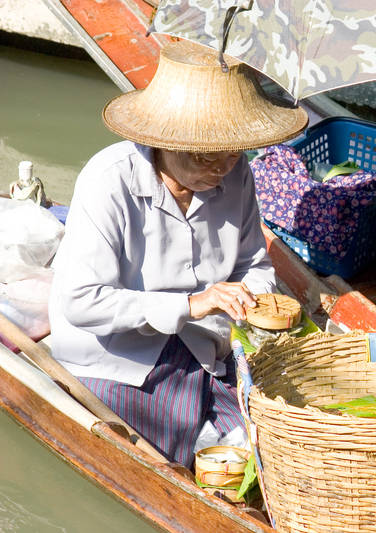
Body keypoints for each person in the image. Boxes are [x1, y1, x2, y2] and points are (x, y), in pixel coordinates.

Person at [48, 41, 308, 467]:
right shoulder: (108, 180)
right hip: (116, 356)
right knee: (185, 451)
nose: (223, 166)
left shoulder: (235, 172)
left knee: (267, 442)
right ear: (163, 143)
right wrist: (191, 304)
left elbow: (253, 264)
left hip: (205, 345)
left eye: (233, 152)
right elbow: (81, 301)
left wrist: (252, 299)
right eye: (207, 155)